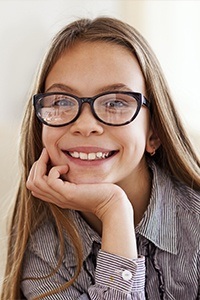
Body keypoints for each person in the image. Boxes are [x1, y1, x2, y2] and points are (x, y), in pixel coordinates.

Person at [1, 16, 200, 300]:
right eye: (61, 102)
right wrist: (113, 210)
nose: (85, 125)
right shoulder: (45, 252)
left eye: (116, 102)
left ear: (154, 131)